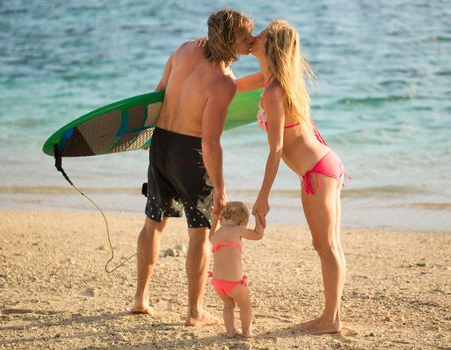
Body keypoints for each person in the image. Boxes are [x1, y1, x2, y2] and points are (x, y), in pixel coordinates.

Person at [131, 9, 255, 328]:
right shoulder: (223, 82)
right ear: (229, 40)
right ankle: (195, 312)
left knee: (153, 222)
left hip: (160, 143)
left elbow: (157, 94)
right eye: (245, 36)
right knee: (199, 234)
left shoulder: (185, 49)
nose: (251, 40)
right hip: (190, 154)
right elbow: (210, 142)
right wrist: (221, 189)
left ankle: (140, 299)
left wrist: (146, 137)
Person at [231, 19, 347, 334]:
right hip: (324, 164)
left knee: (325, 246)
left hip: (316, 171)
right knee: (329, 245)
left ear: (271, 46)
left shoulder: (274, 90)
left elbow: (277, 149)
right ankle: (331, 318)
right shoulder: (273, 79)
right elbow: (230, 87)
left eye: (262, 34)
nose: (255, 36)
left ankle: (330, 320)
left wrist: (263, 197)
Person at [208, 201, 264, 337]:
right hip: (234, 283)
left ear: (222, 218)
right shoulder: (238, 229)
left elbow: (210, 236)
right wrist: (259, 217)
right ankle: (247, 332)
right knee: (245, 306)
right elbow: (258, 234)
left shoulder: (216, 235)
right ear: (243, 221)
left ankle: (230, 331)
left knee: (228, 306)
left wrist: (214, 219)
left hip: (217, 283)